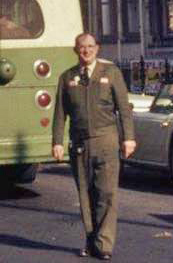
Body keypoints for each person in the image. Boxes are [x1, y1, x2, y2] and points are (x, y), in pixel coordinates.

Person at [52, 33, 136, 260]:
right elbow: (60, 113)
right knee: (85, 194)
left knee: (106, 193)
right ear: (75, 50)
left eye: (90, 46)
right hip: (79, 145)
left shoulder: (111, 73)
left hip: (106, 141)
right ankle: (91, 240)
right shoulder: (67, 77)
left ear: (97, 49)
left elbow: (124, 108)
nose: (86, 51)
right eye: (82, 47)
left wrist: (128, 138)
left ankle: (104, 244)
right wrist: (57, 142)